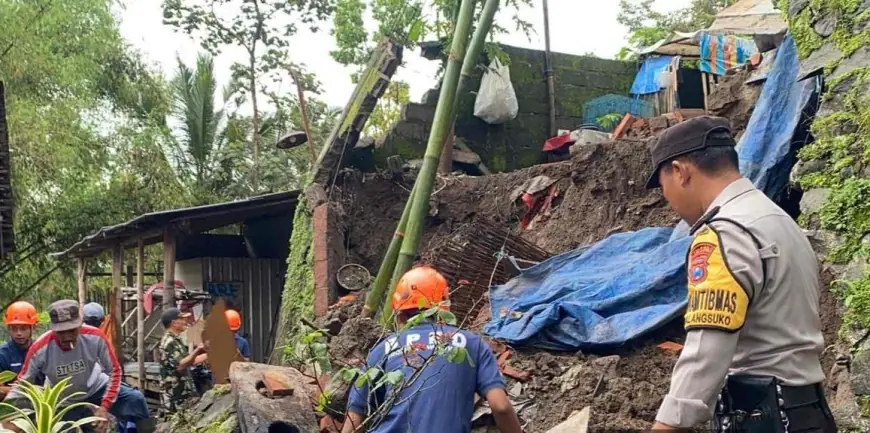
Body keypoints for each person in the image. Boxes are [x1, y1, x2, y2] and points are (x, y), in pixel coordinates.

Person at [645, 116, 835, 432]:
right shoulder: (778, 220)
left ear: (680, 172)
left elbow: (707, 348)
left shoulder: (724, 234)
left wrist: (668, 424)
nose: (669, 202)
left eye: (664, 188)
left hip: (764, 418)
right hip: (808, 411)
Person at [342, 266, 522, 433]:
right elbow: (501, 407)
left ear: (398, 313)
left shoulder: (382, 350)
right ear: (444, 308)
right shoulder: (472, 343)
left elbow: (355, 417)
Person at [8, 299, 154, 433]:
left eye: (72, 330)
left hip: (96, 386)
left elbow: (114, 370)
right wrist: (6, 414)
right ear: (53, 329)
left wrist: (104, 406)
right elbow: (22, 383)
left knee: (136, 399)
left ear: (80, 324)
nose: (67, 337)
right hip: (64, 399)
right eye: (61, 332)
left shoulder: (95, 337)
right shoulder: (40, 348)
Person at [159, 307, 204, 414]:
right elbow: (181, 365)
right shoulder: (169, 342)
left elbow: (191, 361)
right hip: (175, 395)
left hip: (183, 392)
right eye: (182, 319)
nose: (185, 321)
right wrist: (198, 349)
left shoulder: (176, 340)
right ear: (174, 323)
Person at [0, 302, 43, 399]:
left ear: (34, 328)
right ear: (8, 329)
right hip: (13, 407)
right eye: (14, 329)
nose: (19, 333)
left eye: (23, 328)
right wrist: (23, 390)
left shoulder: (42, 350)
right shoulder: (3, 354)